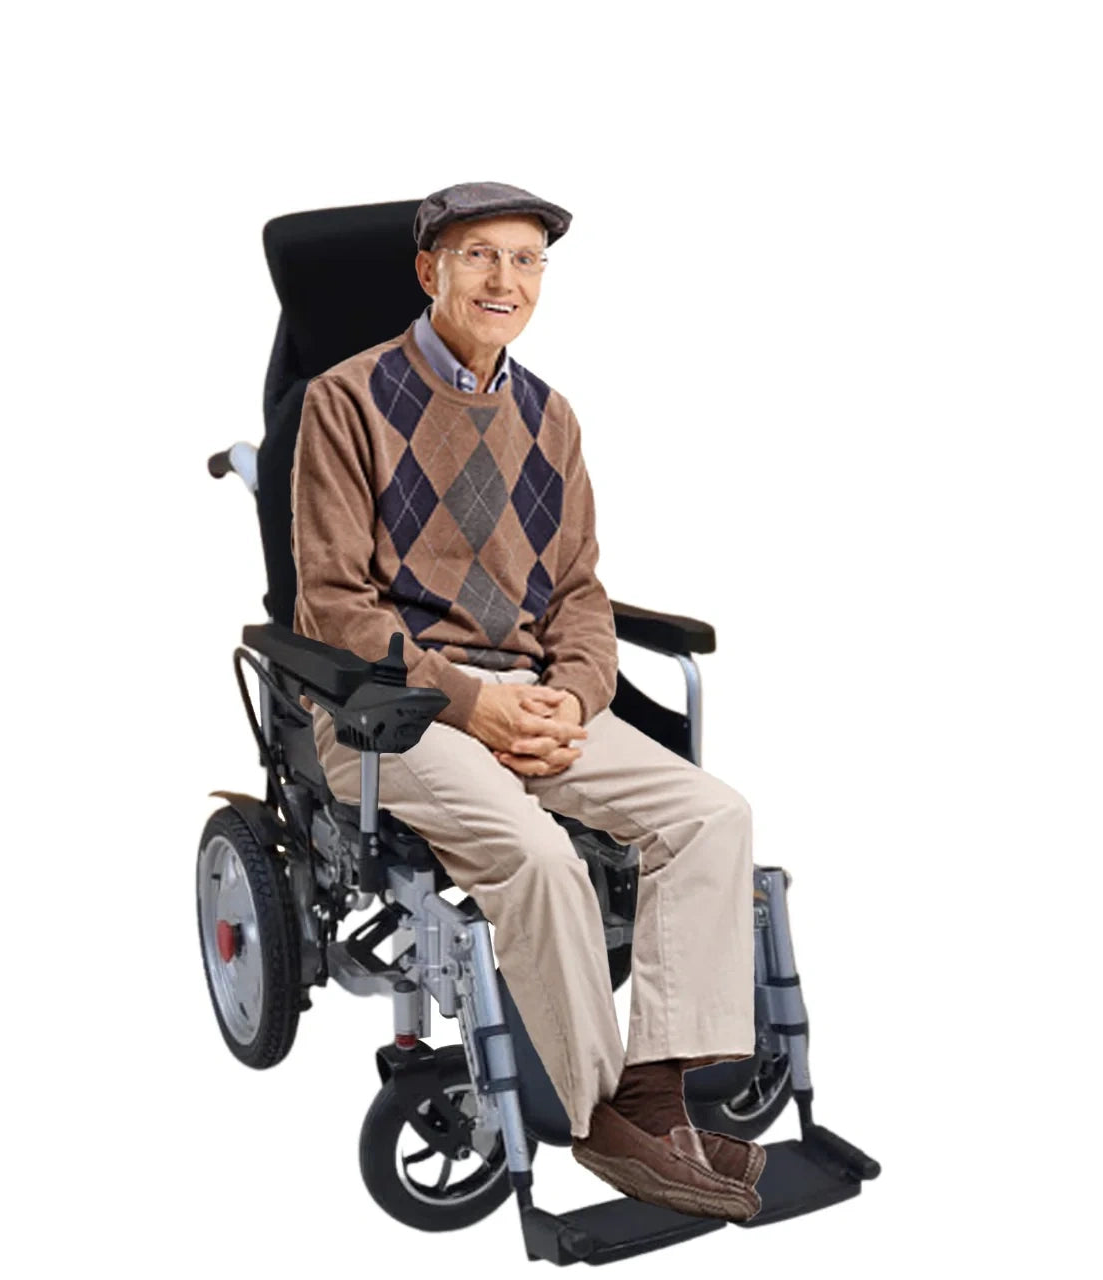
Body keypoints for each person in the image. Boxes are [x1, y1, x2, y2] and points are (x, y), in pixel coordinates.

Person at [290, 181, 764, 1220]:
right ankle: (604, 1126)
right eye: (478, 257)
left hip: (534, 699)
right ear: (429, 271)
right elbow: (333, 608)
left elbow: (580, 592)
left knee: (710, 814)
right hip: (389, 712)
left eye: (525, 260)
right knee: (542, 860)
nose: (505, 280)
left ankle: (656, 1092)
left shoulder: (549, 417)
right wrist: (471, 701)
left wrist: (572, 691)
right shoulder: (344, 399)